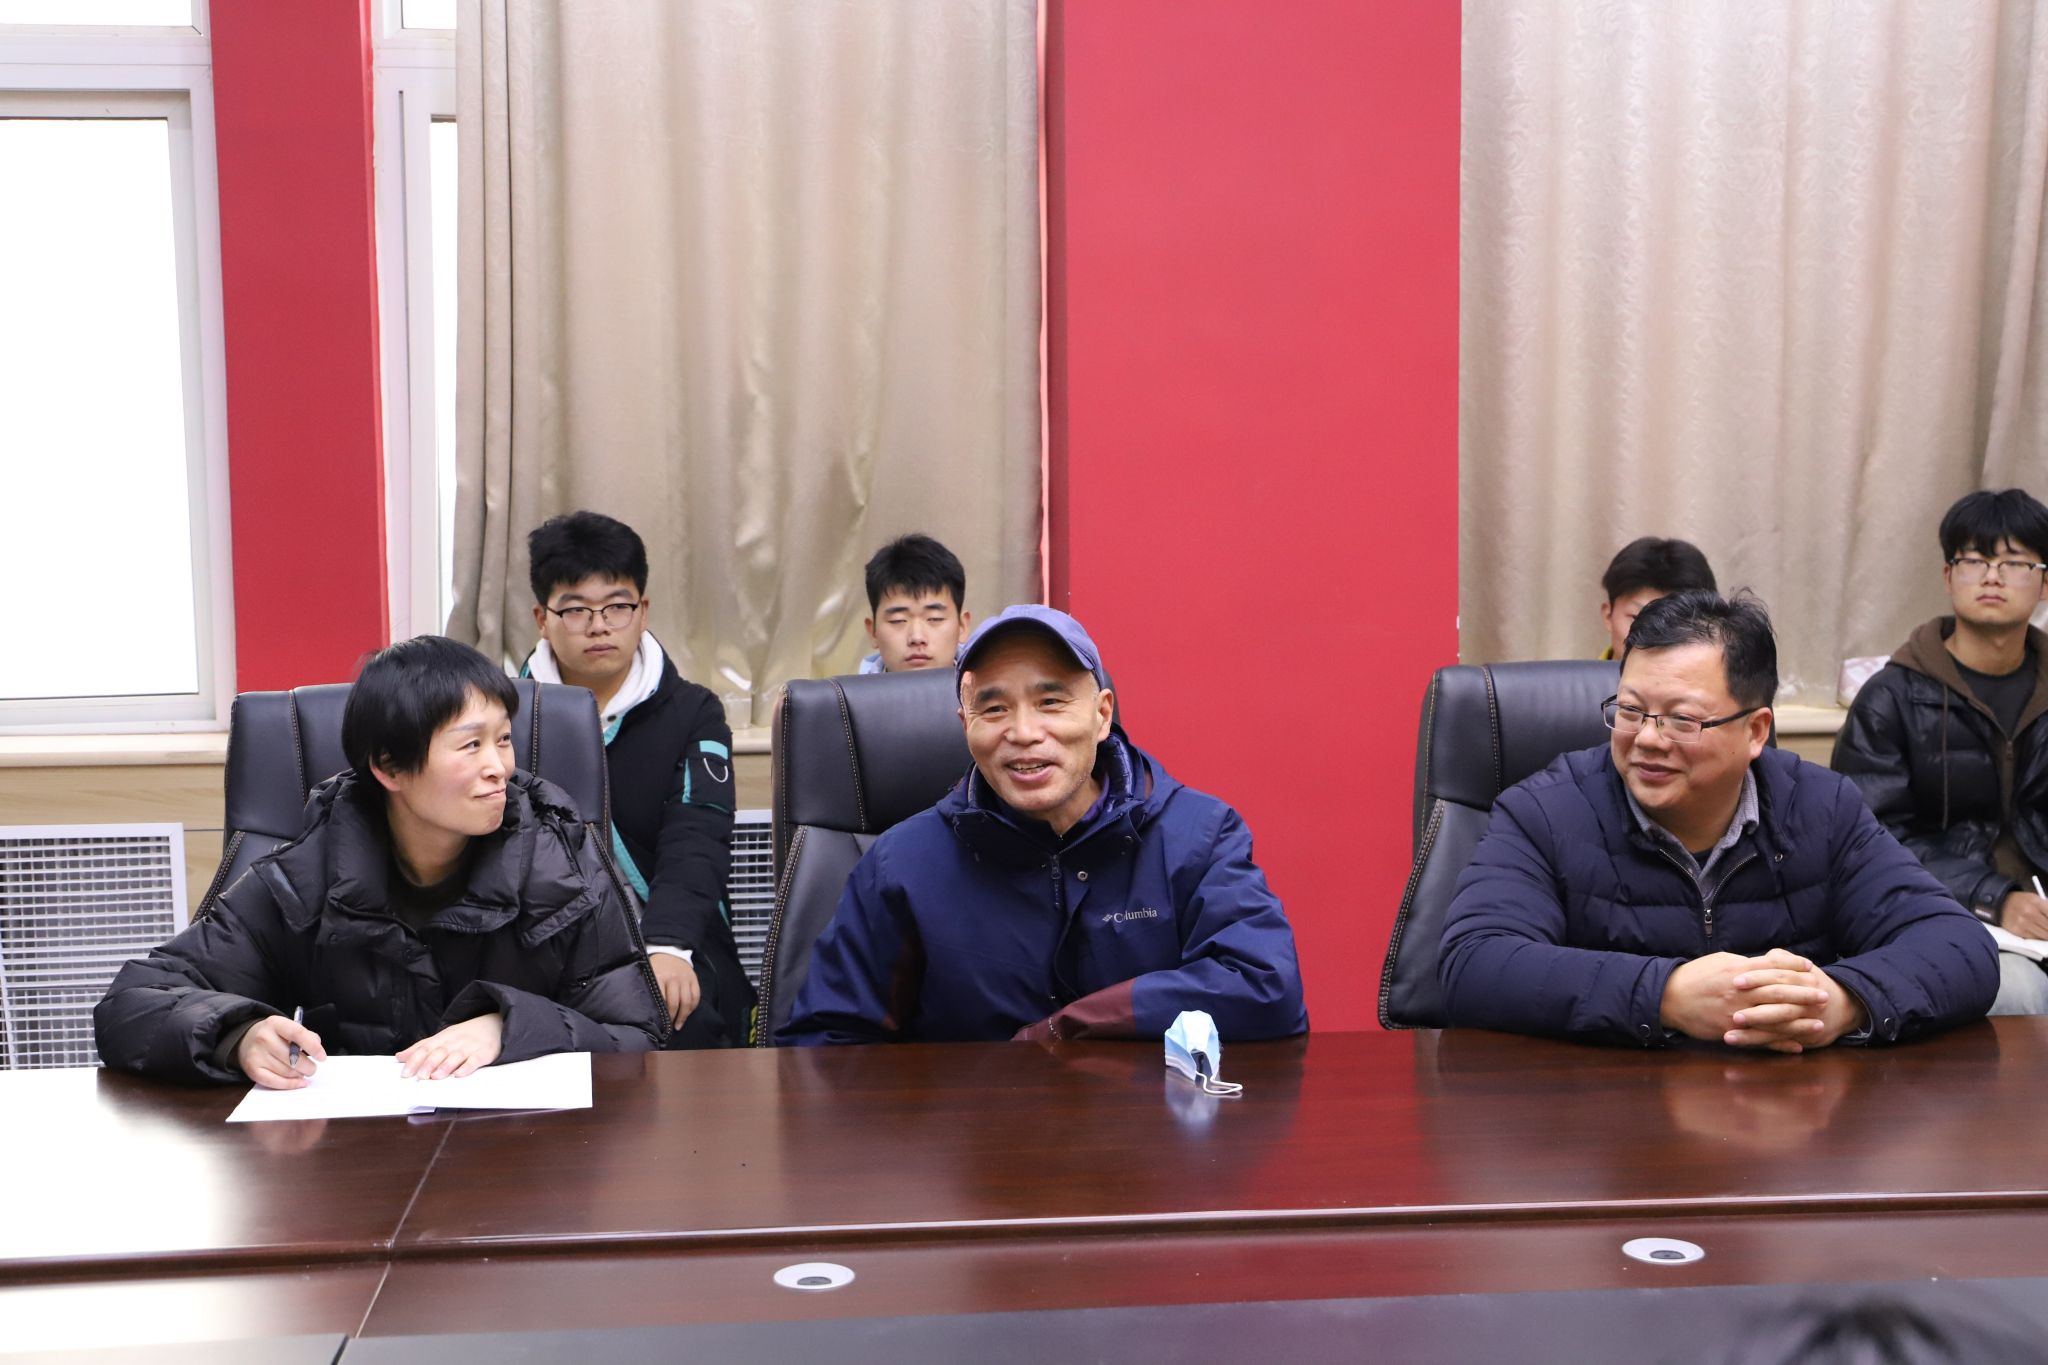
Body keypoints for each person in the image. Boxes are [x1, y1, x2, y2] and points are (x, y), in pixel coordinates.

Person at [94, 636, 667, 1087]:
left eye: (503, 739)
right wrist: (236, 1036)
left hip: (524, 1160)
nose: (500, 767)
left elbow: (638, 1037)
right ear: (390, 768)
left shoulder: (563, 868)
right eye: (471, 745)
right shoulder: (306, 877)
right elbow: (131, 1005)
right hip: (357, 1160)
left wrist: (508, 1026)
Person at [1439, 589, 1996, 1049]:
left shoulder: (1821, 808)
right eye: (1630, 710)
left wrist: (1842, 1002)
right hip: (1602, 1120)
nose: (1647, 739)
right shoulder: (1544, 811)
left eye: (1682, 720)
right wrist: (1666, 995)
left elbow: (1959, 946)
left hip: (1782, 1120)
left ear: (1755, 731)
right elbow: (1474, 963)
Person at [781, 604, 1308, 1044]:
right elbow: (824, 1043)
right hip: (972, 1132)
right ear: (966, 725)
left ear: (1101, 715)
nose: (1024, 732)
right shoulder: (901, 864)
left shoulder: (1198, 835)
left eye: (1050, 702)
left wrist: (1072, 1026)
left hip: (1148, 1131)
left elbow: (1267, 990)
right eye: (994, 709)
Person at [523, 511, 753, 1047]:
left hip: (666, 933)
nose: (599, 625)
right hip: (543, 943)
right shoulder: (507, 714)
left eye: (617, 606)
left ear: (642, 611)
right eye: (575, 609)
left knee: (689, 1017)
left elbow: (698, 835)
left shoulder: (693, 711)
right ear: (542, 619)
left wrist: (668, 945)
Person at [1832, 489, 2048, 1014]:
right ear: (1949, 576)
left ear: (2045, 582)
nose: (1992, 577)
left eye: (2014, 562)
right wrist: (1995, 897)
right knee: (2020, 993)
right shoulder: (1891, 698)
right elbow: (1868, 839)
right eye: (1974, 561)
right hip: (1942, 911)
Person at [858, 532, 972, 674]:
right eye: (897, 620)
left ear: (962, 626)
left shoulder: (986, 687)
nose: (917, 637)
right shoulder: (844, 689)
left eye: (935, 618)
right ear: (873, 632)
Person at [1599, 536, 1718, 660]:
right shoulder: (1583, 673)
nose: (1656, 637)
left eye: (1678, 621)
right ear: (1608, 616)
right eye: (1637, 618)